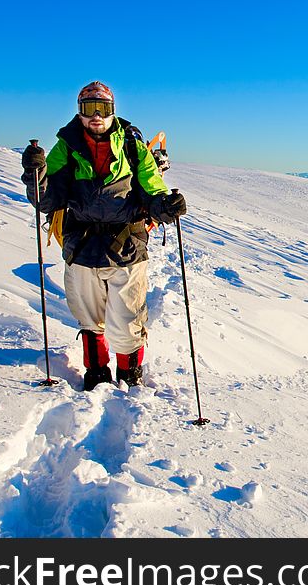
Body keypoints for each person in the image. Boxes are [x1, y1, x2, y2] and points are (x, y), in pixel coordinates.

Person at [21, 81, 187, 391]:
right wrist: (36, 176)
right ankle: (96, 372)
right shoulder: (66, 147)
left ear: (112, 111)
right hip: (82, 246)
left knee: (127, 318)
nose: (96, 115)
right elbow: (48, 201)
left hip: (127, 246)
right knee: (88, 316)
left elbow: (151, 188)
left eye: (103, 108)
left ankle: (129, 373)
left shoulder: (132, 146)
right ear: (80, 112)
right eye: (89, 108)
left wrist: (165, 206)